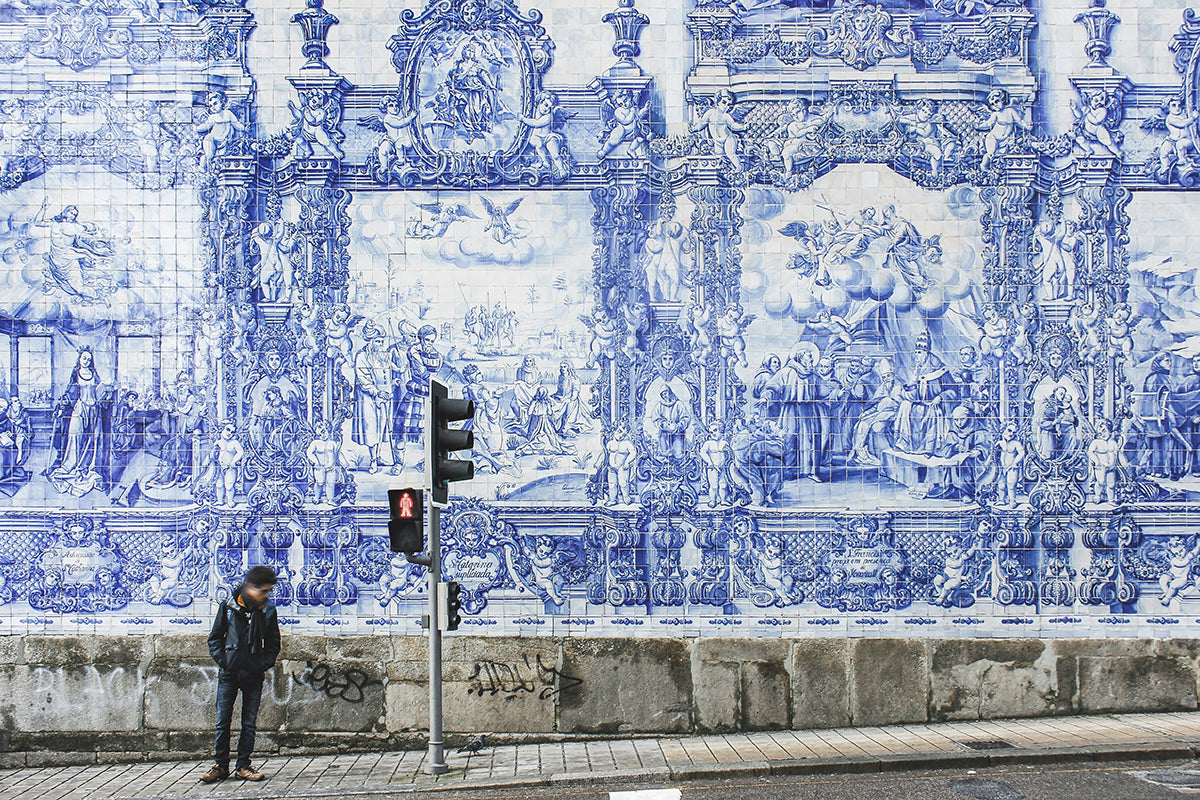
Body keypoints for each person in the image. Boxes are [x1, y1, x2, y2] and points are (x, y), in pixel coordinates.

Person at [200, 565, 281, 784]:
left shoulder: (268, 611)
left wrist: (261, 664)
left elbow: (274, 644)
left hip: (253, 674)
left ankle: (243, 765)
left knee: (249, 723)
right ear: (250, 588)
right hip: (230, 673)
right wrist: (224, 661)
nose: (265, 595)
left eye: (268, 591)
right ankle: (220, 765)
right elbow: (215, 638)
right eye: (262, 591)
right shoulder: (228, 607)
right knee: (222, 721)